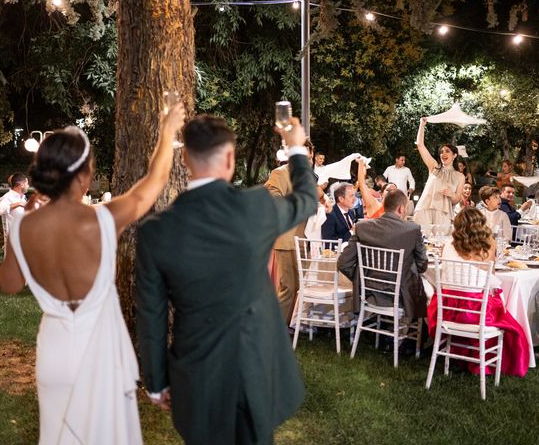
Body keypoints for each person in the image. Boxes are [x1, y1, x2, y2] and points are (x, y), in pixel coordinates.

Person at [0, 103, 186, 444]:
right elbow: (153, 182)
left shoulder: (23, 227)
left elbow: (8, 284)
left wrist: (22, 226)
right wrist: (168, 131)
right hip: (98, 358)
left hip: (54, 355)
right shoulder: (102, 219)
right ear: (83, 177)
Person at [136, 115, 316, 444]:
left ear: (186, 159)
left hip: (197, 371)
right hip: (257, 366)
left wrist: (157, 381)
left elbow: (152, 315)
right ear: (231, 159)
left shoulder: (155, 231)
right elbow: (306, 198)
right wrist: (295, 147)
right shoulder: (257, 207)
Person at [427, 207, 529, 377]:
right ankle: (483, 360)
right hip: (475, 313)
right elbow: (491, 281)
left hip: (448, 311)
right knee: (506, 317)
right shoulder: (489, 246)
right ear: (482, 224)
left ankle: (457, 353)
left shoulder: (448, 246)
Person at [338, 189, 428, 318]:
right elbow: (422, 265)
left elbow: (343, 263)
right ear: (402, 209)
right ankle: (411, 329)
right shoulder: (412, 230)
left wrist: (361, 278)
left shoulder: (362, 227)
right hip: (401, 293)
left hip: (369, 291)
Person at [265, 138, 326, 325]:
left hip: (304, 240)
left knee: (300, 286)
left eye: (309, 158)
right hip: (285, 239)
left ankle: (293, 323)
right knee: (288, 287)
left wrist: (324, 203)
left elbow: (320, 197)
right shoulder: (279, 173)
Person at [412, 117, 465, 227]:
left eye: (447, 151)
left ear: (454, 155)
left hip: (444, 213)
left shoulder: (460, 176)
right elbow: (420, 145)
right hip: (424, 209)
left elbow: (456, 200)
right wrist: (422, 124)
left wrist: (451, 194)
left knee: (440, 242)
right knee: (422, 241)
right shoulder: (434, 167)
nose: (443, 154)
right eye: (441, 152)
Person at [0, 173, 29, 254]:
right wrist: (18, 204)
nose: (28, 186)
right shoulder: (7, 197)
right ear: (21, 184)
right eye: (27, 183)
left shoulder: (22, 198)